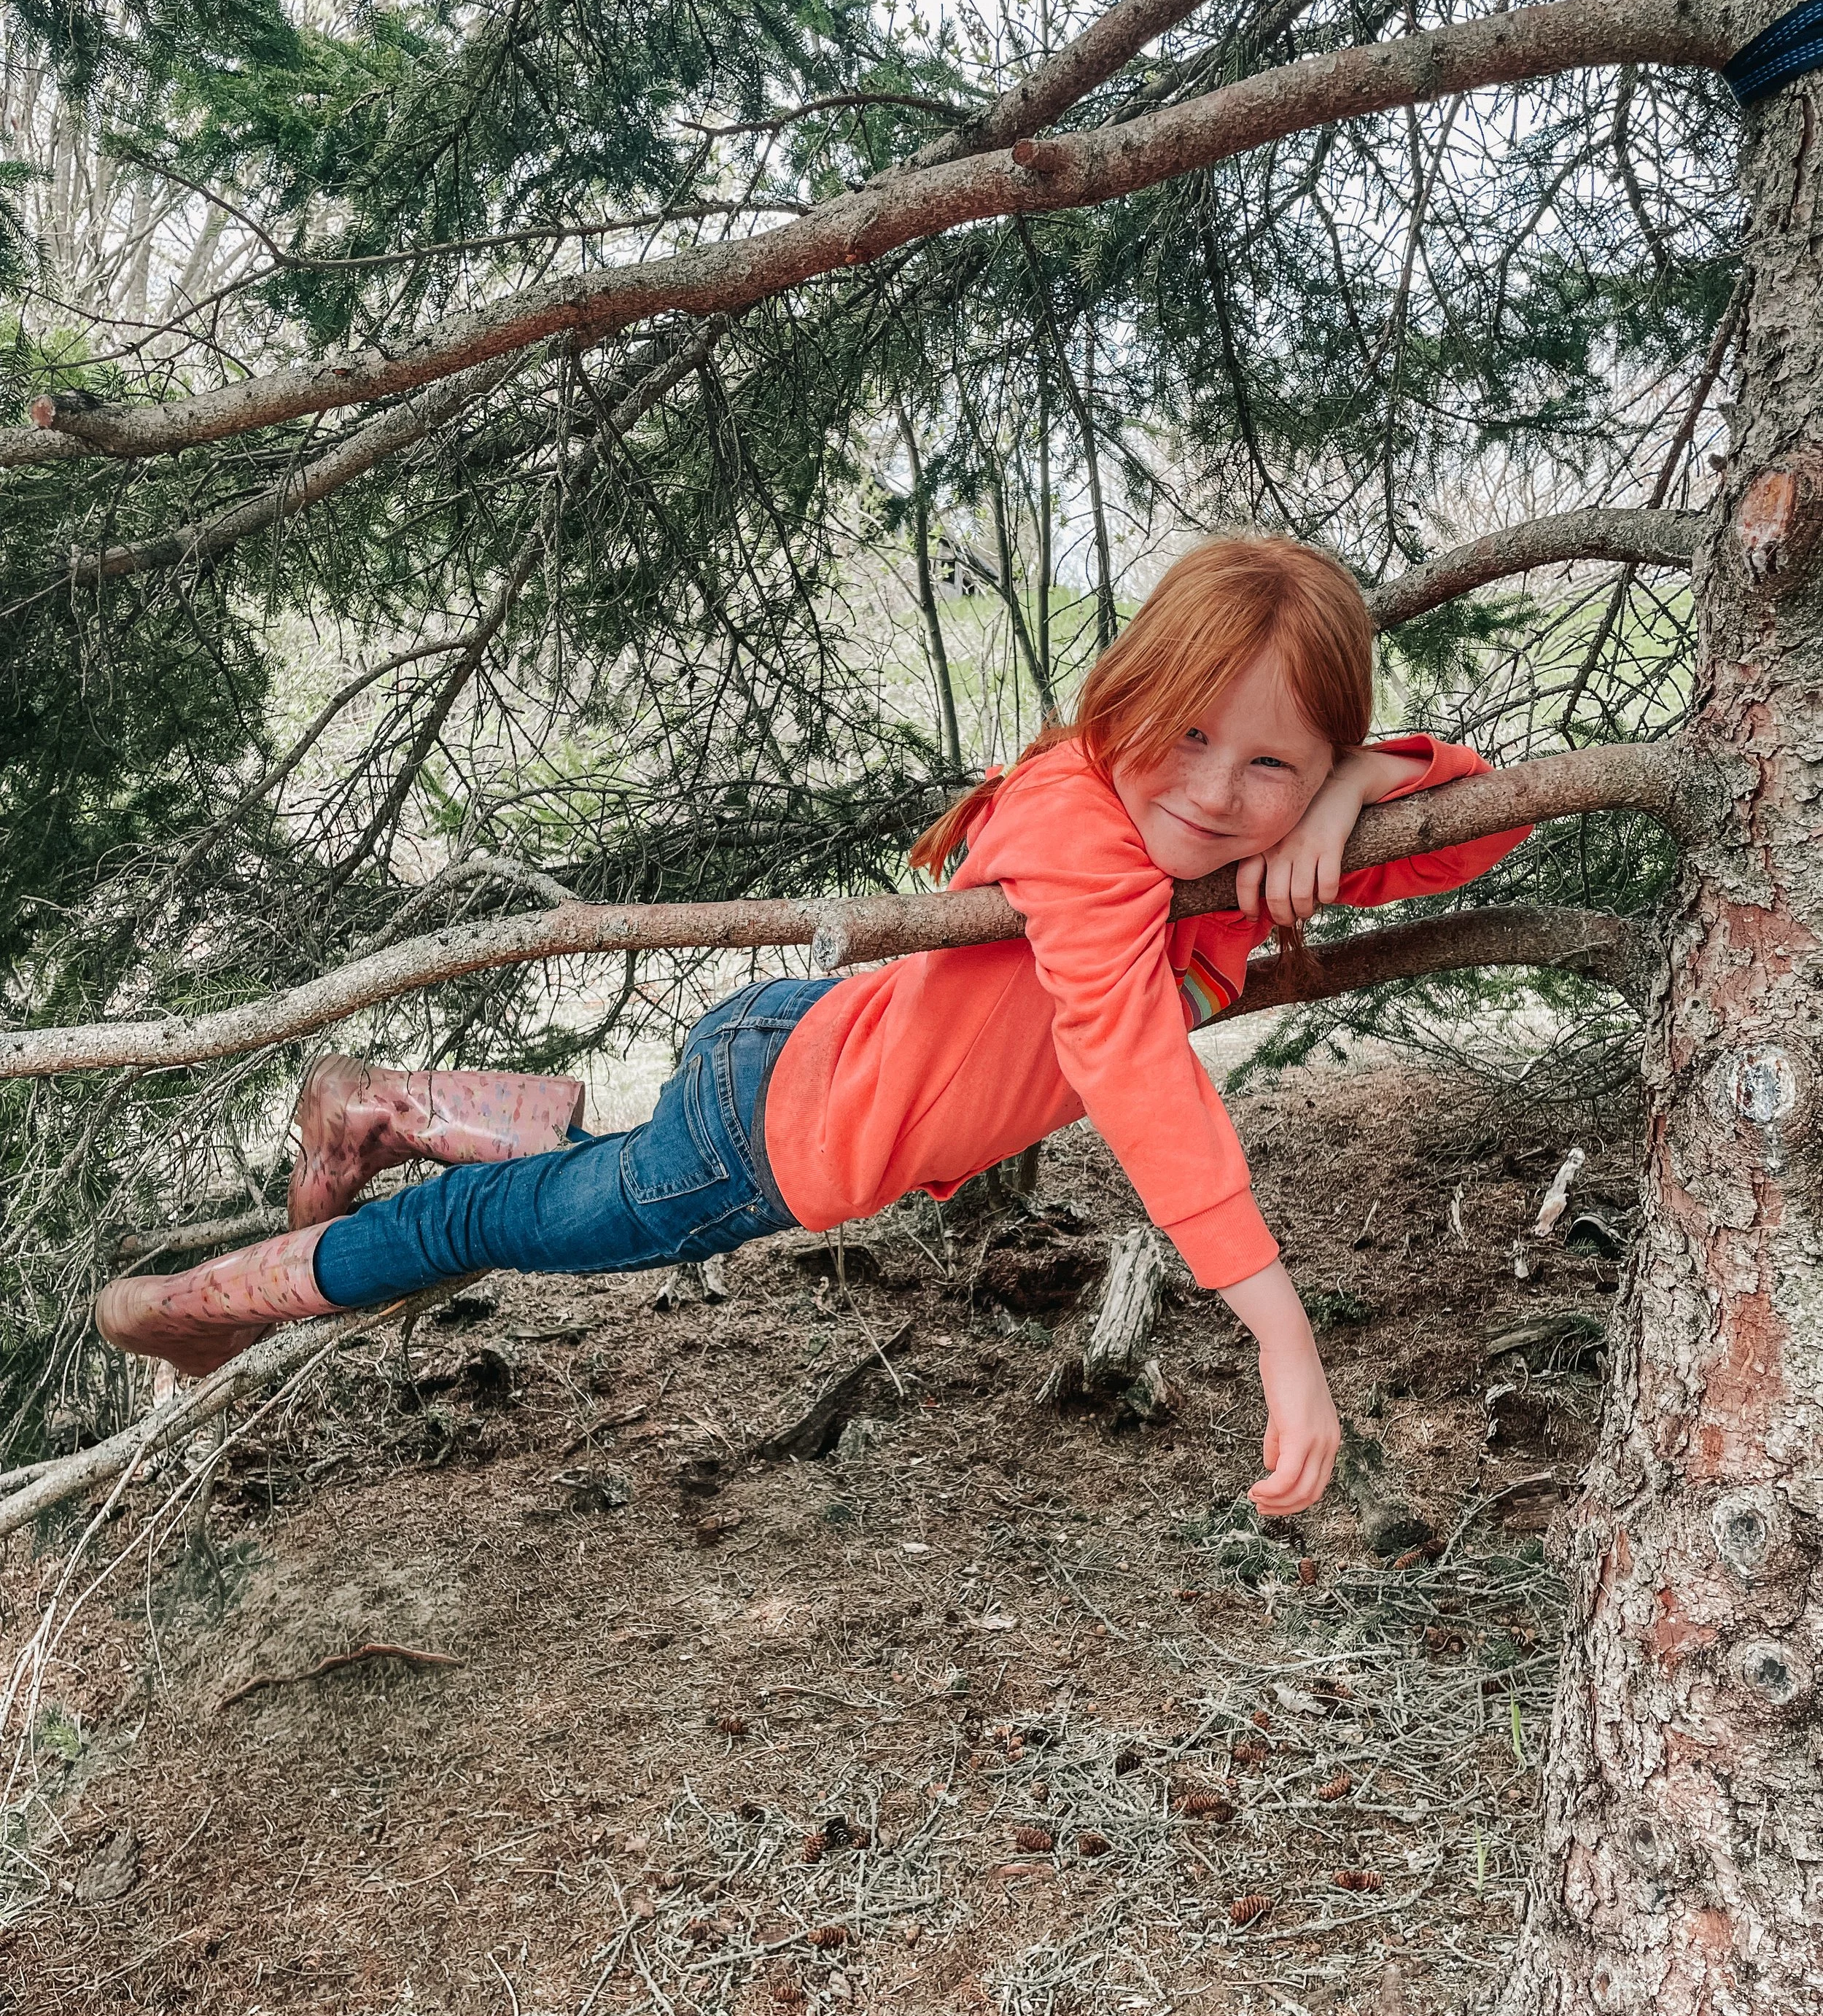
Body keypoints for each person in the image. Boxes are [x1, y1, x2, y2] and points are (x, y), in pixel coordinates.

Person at [96, 535, 1528, 1515]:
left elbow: (1484, 817)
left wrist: (1355, 784)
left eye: (1268, 759)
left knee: (615, 1154)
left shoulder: (1231, 835)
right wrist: (1276, 1325)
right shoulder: (1084, 825)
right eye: (1188, 734)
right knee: (507, 1228)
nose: (1216, 793)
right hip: (770, 1140)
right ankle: (204, 1304)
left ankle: (392, 1109)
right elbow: (1122, 1058)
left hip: (792, 1053)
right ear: (1124, 702)